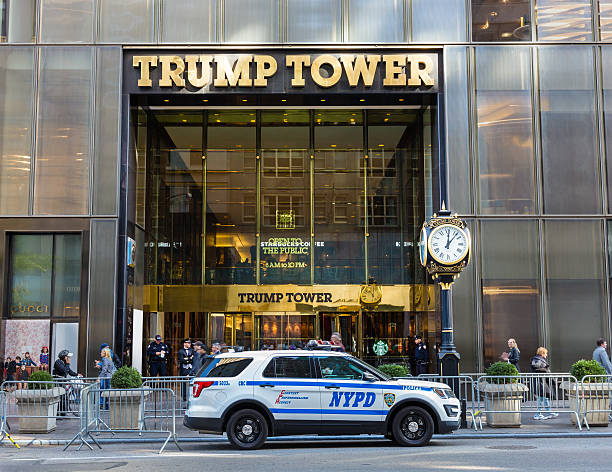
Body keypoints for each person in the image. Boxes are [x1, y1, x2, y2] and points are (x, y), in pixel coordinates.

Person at [530, 347, 557, 420]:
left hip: (542, 381)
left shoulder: (538, 359)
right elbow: (535, 367)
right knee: (541, 397)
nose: (547, 355)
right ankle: (538, 414)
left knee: (544, 397)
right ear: (542, 353)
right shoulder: (537, 359)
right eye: (546, 353)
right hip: (540, 382)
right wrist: (545, 369)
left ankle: (549, 412)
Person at [592, 338, 612, 422]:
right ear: (602, 344)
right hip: (605, 375)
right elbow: (607, 363)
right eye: (605, 343)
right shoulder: (602, 351)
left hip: (599, 375)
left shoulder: (595, 351)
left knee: (603, 394)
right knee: (609, 394)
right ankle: (609, 413)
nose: (606, 345)